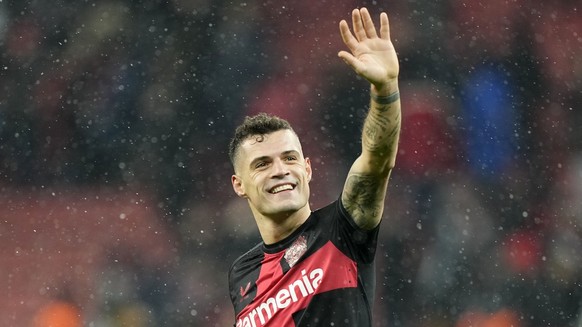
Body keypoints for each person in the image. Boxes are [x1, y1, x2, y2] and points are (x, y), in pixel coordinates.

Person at [227, 7, 401, 326]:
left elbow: (377, 160)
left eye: (290, 158)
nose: (281, 170)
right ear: (239, 184)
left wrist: (385, 91)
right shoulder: (242, 273)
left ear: (307, 168)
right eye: (263, 163)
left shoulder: (342, 230)